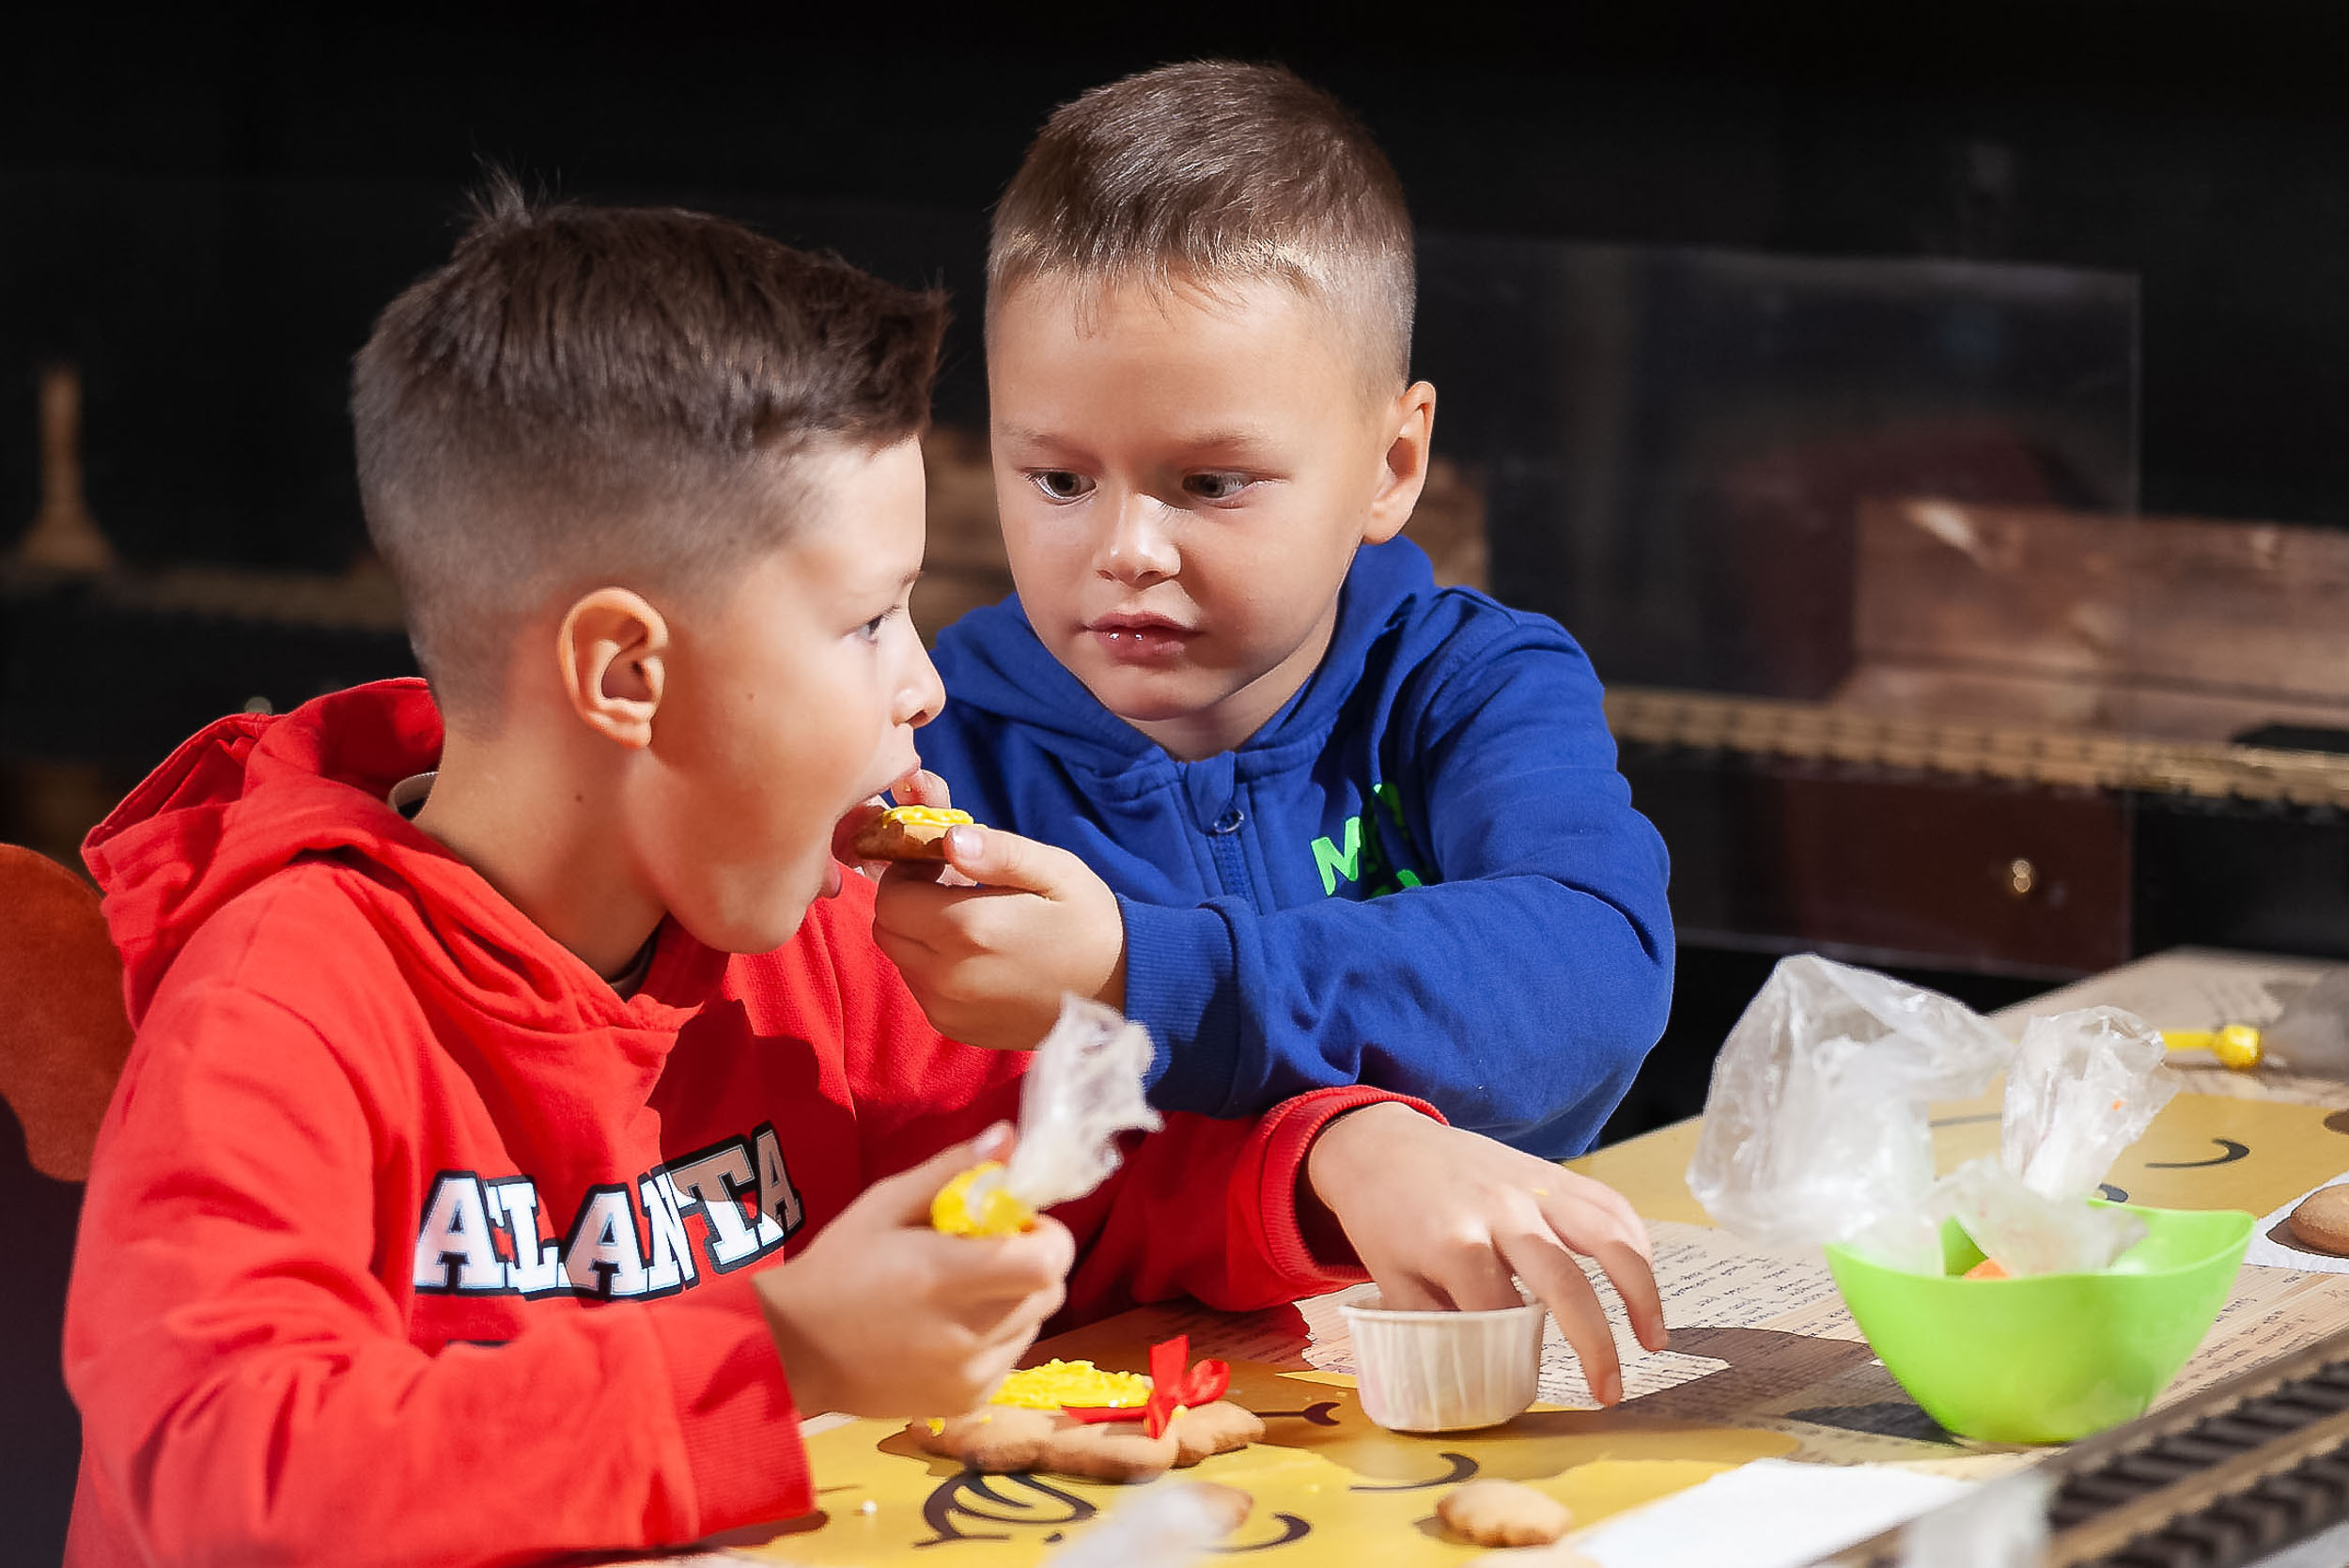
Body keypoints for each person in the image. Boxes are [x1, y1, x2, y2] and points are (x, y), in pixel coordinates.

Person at [59, 186, 1665, 1568]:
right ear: (626, 672)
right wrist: (789, 1349)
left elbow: (1064, 1196)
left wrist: (1332, 1158)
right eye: (863, 620)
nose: (924, 685)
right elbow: (227, 1474)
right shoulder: (283, 1001)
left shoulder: (810, 946)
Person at [880, 62, 1674, 1158]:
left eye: (1210, 484)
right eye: (1060, 480)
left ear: (1391, 463)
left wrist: (1134, 974)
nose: (1126, 551)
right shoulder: (926, 739)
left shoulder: (1474, 685)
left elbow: (1596, 972)